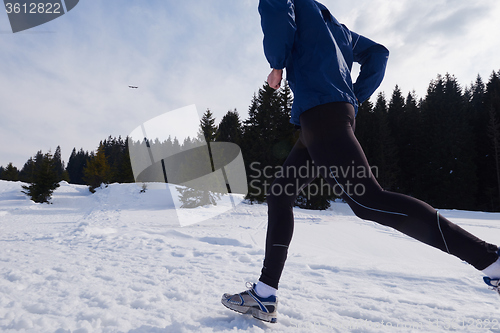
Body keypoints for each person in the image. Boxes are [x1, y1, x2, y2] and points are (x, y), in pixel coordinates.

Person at [221, 0, 500, 323]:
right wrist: (355, 94)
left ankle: (489, 259)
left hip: (321, 114)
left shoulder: (295, 6)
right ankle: (265, 294)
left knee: (368, 200)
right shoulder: (338, 29)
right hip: (324, 117)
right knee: (280, 193)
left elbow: (275, 11)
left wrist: (278, 64)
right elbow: (378, 53)